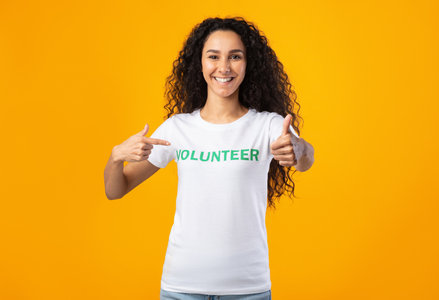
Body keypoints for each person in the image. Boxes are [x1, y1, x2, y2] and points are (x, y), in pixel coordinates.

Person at [104, 16, 314, 300]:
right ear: (200, 63)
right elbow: (116, 190)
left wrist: (298, 150)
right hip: (182, 288)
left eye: (235, 57)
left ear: (248, 63)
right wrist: (116, 157)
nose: (224, 67)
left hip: (247, 289)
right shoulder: (178, 128)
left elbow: (306, 157)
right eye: (213, 56)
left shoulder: (267, 125)